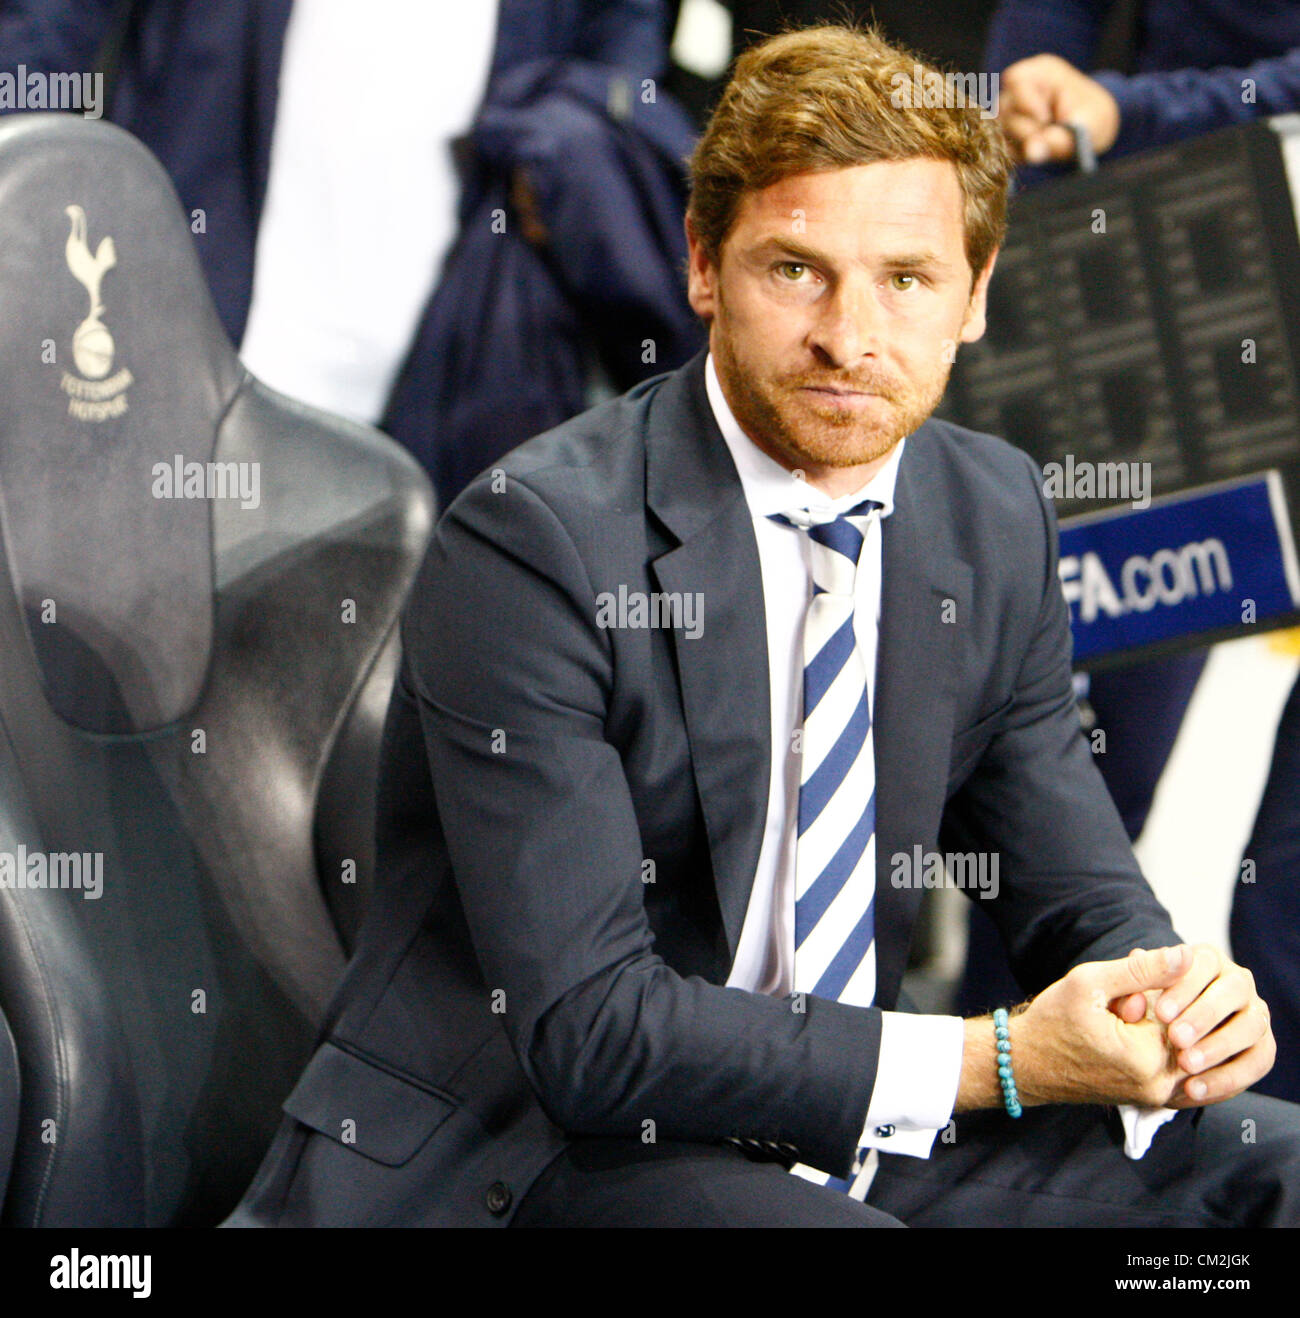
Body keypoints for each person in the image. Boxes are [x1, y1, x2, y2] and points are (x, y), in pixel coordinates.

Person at [229, 23, 1297, 1228]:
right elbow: (592, 1033)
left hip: (847, 1130)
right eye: (796, 270)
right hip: (536, 1149)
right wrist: (993, 1059)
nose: (850, 338)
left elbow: (1075, 890)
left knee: (1273, 1168)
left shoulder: (991, 512)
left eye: (906, 280)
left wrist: (1172, 998)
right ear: (702, 264)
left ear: (977, 293)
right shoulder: (535, 536)